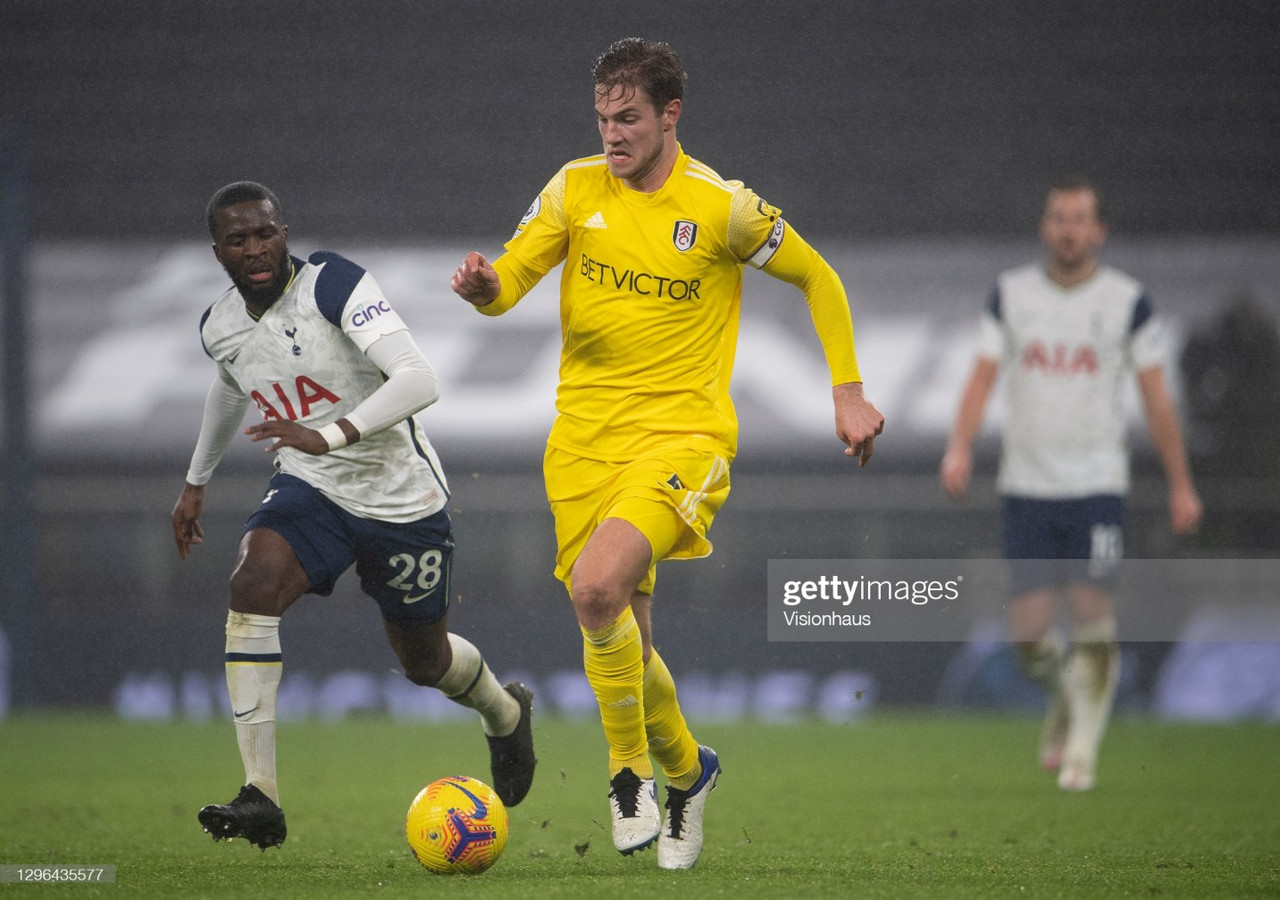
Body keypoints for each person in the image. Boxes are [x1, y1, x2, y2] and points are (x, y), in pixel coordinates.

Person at [451, 38, 884, 868]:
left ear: (670, 114)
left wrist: (846, 391)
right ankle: (690, 771)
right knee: (620, 634)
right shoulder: (574, 190)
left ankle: (628, 778)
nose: (611, 134)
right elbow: (510, 282)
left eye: (629, 118)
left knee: (594, 587)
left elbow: (818, 278)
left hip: (683, 437)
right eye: (602, 118)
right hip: (582, 443)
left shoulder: (721, 208)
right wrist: (484, 289)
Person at [171, 181, 536, 850]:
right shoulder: (218, 325)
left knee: (425, 664)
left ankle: (505, 711)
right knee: (251, 584)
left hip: (402, 500)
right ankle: (261, 794)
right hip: (312, 489)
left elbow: (420, 378)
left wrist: (331, 432)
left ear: (285, 233)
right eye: (238, 239)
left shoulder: (333, 284)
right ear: (218, 250)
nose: (255, 249)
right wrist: (196, 482)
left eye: (266, 234)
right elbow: (230, 385)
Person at [939, 175, 1202, 791]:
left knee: (1092, 622)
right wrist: (959, 446)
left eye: (1080, 218)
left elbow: (1157, 399)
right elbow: (980, 378)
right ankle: (1066, 699)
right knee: (1029, 638)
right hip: (1026, 486)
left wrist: (1180, 483)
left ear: (1100, 230)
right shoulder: (1010, 294)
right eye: (1059, 217)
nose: (1069, 229)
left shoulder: (1127, 301)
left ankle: (1082, 749)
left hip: (1096, 488)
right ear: (1044, 227)